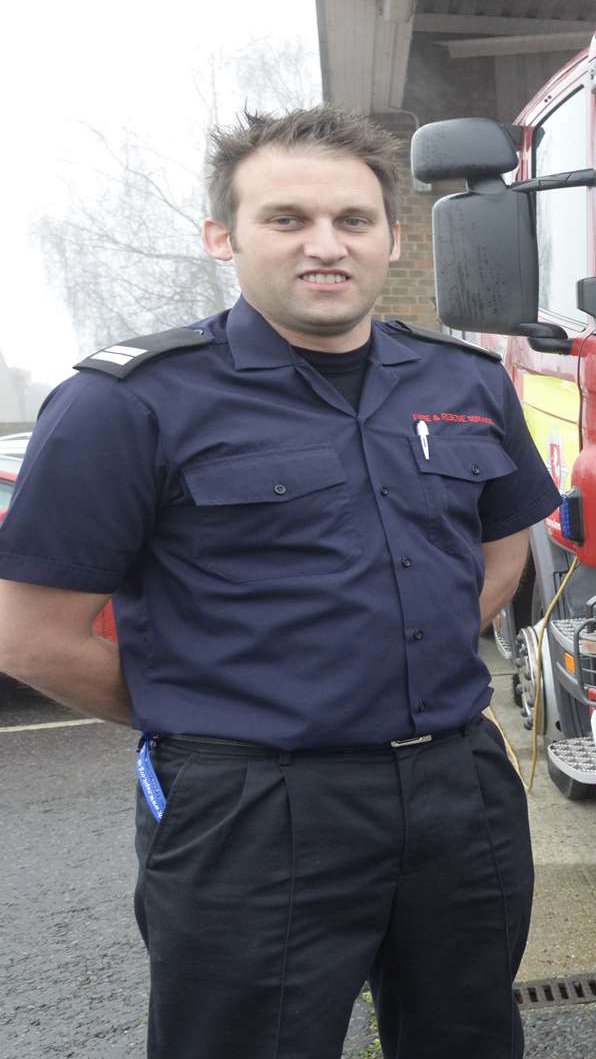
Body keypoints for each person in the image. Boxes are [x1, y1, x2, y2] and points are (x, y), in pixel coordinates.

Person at [0, 107, 559, 1058]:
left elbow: (503, 548)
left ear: (391, 235)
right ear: (224, 236)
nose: (325, 246)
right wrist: (204, 715)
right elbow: (29, 632)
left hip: (455, 790)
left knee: (469, 1036)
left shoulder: (464, 381)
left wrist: (398, 662)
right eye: (287, 220)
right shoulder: (126, 403)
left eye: (352, 220)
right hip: (251, 809)